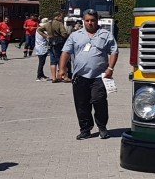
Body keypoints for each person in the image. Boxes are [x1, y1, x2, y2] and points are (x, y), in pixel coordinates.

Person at [59, 9, 119, 140]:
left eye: (92, 20)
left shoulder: (106, 34)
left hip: (99, 76)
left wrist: (110, 68)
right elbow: (66, 52)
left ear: (97, 20)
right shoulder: (76, 35)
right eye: (87, 20)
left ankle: (102, 127)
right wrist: (62, 69)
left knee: (99, 101)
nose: (90, 23)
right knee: (81, 104)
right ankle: (85, 129)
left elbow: (114, 51)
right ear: (83, 21)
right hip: (80, 76)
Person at [37, 12, 69, 82]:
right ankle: (64, 77)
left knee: (52, 61)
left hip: (50, 43)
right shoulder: (59, 24)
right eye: (61, 17)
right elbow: (64, 34)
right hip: (58, 43)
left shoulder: (48, 24)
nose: (62, 18)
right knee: (61, 60)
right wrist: (66, 36)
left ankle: (54, 78)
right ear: (57, 16)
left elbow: (39, 29)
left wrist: (46, 36)